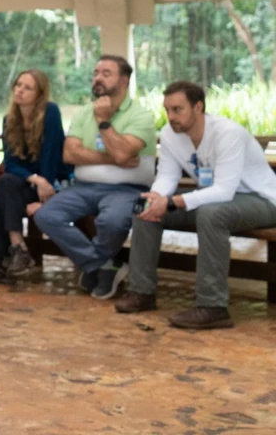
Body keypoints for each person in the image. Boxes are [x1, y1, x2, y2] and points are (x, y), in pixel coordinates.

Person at [115, 81, 276, 329]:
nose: (170, 117)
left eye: (178, 109)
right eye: (167, 110)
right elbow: (168, 176)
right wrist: (157, 198)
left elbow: (224, 190)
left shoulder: (227, 133)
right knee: (145, 210)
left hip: (262, 200)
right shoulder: (170, 134)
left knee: (212, 214)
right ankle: (142, 292)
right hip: (213, 198)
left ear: (198, 106)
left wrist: (171, 202)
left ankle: (213, 307)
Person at [32, 55, 157, 300]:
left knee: (111, 222)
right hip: (83, 187)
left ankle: (96, 267)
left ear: (124, 80)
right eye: (96, 73)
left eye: (106, 73)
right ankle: (101, 265)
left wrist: (103, 120)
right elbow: (69, 154)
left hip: (128, 189)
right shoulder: (83, 113)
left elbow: (123, 152)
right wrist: (113, 159)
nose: (98, 78)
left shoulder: (140, 116)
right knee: (46, 215)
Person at [0, 69, 69, 284]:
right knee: (2, 190)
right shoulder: (9, 119)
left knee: (1, 195)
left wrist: (45, 186)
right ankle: (16, 248)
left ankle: (3, 261)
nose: (20, 91)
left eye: (28, 87)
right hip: (30, 183)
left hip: (54, 183)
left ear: (39, 94)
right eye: (18, 85)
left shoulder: (50, 112)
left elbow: (52, 156)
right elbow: (12, 164)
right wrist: (36, 180)